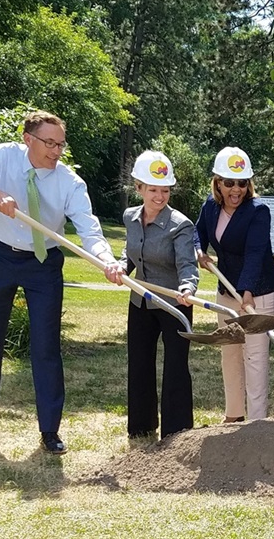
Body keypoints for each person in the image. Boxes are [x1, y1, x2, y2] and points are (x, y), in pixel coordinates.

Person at [0, 110, 120, 455]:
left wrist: (107, 260)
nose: (56, 151)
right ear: (28, 139)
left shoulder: (70, 182)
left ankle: (49, 431)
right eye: (49, 143)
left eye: (61, 144)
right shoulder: (3, 157)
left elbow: (89, 228)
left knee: (45, 348)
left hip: (43, 264)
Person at [103, 151, 198, 441]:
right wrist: (121, 267)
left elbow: (187, 264)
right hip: (140, 301)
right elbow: (130, 253)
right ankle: (141, 426)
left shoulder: (180, 224)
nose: (160, 196)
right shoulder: (130, 217)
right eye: (153, 189)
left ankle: (177, 430)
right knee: (140, 363)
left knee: (175, 367)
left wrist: (188, 287)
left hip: (174, 304)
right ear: (139, 188)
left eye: (165, 190)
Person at [195, 147, 274, 422]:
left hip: (259, 291)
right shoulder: (210, 207)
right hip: (226, 289)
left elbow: (256, 253)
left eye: (242, 183)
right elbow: (197, 232)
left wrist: (247, 292)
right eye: (229, 182)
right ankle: (234, 414)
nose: (236, 189)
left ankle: (257, 421)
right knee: (230, 351)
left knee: (254, 357)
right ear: (217, 183)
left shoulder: (258, 211)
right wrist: (198, 251)